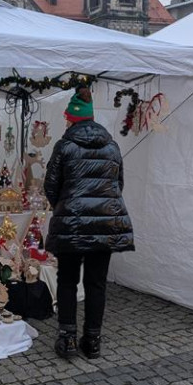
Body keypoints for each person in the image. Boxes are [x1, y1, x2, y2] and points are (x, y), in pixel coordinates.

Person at [44, 84, 134, 360]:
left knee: (68, 280)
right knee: (97, 283)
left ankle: (68, 340)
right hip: (105, 225)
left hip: (71, 225)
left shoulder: (65, 146)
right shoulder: (111, 146)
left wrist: (64, 206)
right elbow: (118, 184)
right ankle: (92, 341)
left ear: (70, 118)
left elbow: (51, 185)